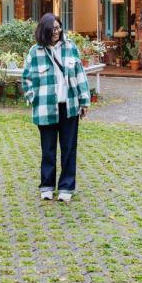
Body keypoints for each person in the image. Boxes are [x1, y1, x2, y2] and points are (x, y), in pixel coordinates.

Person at [21, 13, 91, 202]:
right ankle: (47, 186)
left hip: (69, 106)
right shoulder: (35, 52)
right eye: (53, 29)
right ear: (44, 30)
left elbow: (80, 74)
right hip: (45, 107)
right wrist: (33, 97)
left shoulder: (70, 47)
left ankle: (67, 187)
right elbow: (26, 78)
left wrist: (84, 101)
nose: (57, 32)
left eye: (59, 28)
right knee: (48, 148)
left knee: (69, 148)